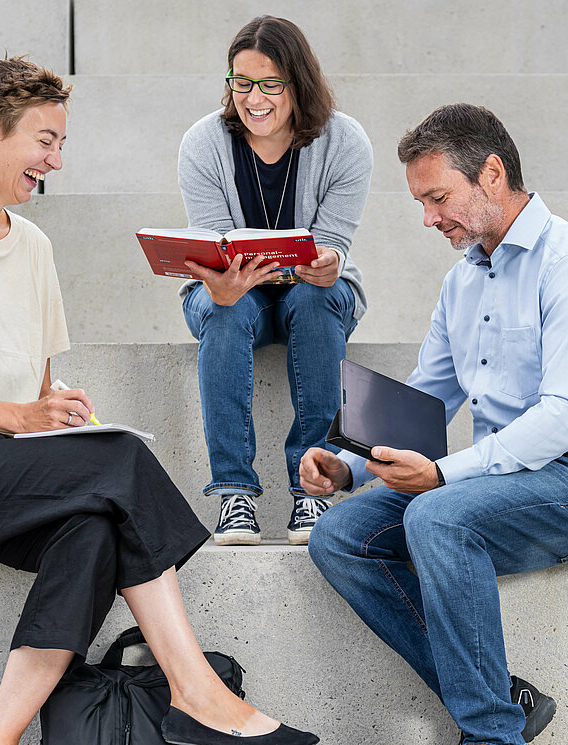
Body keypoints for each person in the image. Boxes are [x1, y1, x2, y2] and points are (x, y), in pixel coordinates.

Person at [0, 56, 317, 745]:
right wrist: (19, 418)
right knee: (116, 460)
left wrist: (55, 407)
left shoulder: (33, 247)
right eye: (45, 141)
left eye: (61, 143)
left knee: (92, 530)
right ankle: (196, 694)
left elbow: (31, 391)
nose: (57, 160)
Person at [302, 104, 568, 745]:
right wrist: (349, 462)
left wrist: (439, 474)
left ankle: (491, 733)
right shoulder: (462, 281)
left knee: (437, 514)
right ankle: (503, 697)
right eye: (422, 204)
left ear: (492, 174)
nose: (430, 218)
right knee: (339, 536)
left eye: (438, 198)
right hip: (499, 486)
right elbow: (428, 394)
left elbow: (566, 417)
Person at [177, 15, 373, 546]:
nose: (253, 98)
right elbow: (212, 243)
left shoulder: (344, 141)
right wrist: (219, 282)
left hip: (314, 296)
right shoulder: (203, 143)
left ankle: (312, 486)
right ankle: (234, 493)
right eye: (241, 83)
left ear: (297, 84)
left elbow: (335, 240)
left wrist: (328, 262)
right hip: (231, 298)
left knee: (317, 295)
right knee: (224, 308)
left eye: (270, 84)